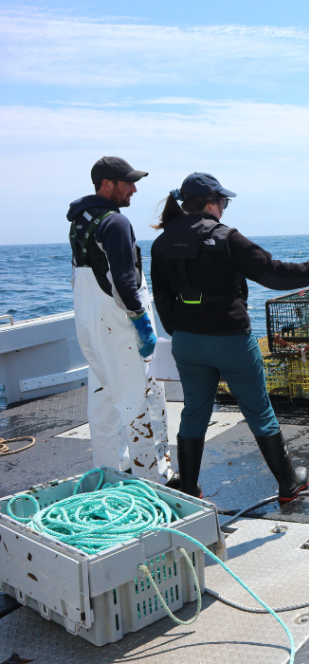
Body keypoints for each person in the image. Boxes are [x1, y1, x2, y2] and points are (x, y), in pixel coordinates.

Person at [150, 172, 309, 502]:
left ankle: (189, 487)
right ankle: (288, 482)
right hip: (230, 339)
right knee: (258, 409)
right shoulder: (226, 238)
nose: (224, 207)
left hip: (187, 341)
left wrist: (180, 331)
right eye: (223, 202)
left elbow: (163, 298)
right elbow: (272, 273)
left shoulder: (162, 242)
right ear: (211, 204)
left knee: (194, 410)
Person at [66, 157, 174, 483]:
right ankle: (152, 481)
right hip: (119, 328)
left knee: (101, 405)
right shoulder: (116, 223)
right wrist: (142, 323)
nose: (134, 189)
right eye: (128, 183)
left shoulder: (81, 220)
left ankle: (107, 477)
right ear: (106, 185)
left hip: (90, 325)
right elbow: (125, 282)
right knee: (136, 403)